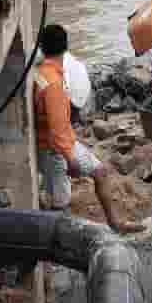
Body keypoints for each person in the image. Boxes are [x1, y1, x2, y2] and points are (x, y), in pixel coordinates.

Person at [31, 23, 107, 209]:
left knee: (59, 193)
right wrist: (70, 160)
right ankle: (113, 223)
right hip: (55, 150)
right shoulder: (55, 84)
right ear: (66, 47)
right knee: (61, 203)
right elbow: (57, 130)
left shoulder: (40, 74)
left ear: (42, 47)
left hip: (47, 146)